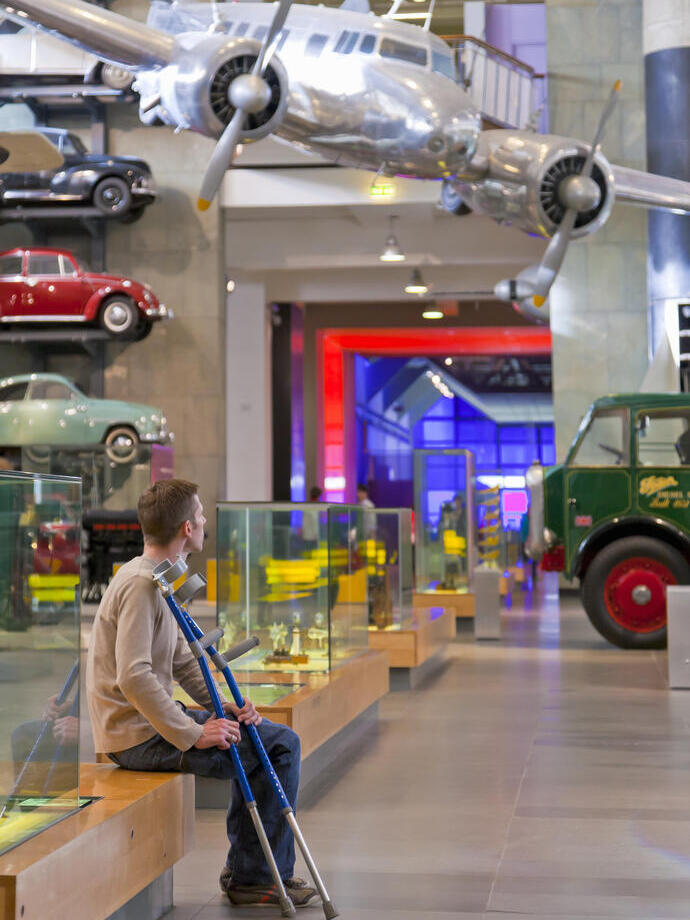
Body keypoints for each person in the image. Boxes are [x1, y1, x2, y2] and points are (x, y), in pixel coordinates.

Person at [85, 478, 318, 909]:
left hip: (153, 725)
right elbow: (133, 676)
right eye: (200, 514)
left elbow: (180, 660)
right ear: (186, 530)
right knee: (281, 747)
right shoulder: (140, 586)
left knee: (263, 735)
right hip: (136, 738)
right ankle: (254, 876)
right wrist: (193, 733)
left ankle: (249, 871)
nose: (205, 519)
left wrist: (218, 705)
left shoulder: (158, 578)